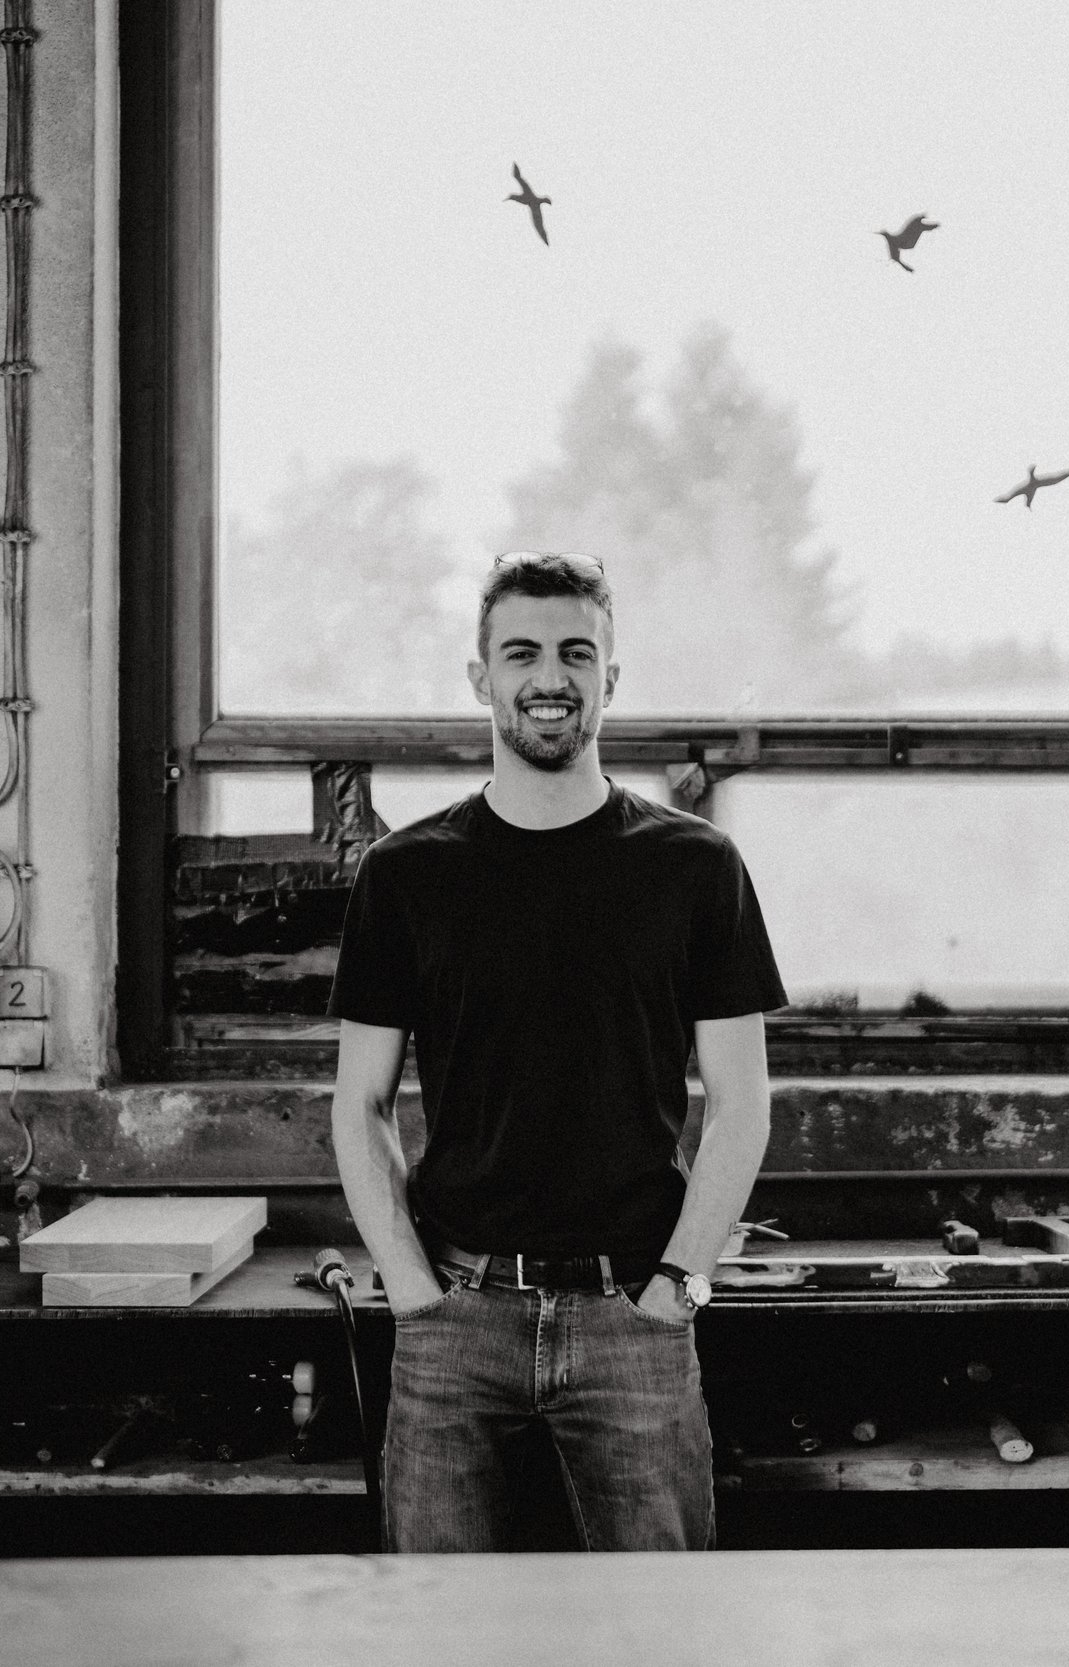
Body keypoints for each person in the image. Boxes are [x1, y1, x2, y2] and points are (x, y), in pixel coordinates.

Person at [328, 550, 788, 1552]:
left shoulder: (695, 869)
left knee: (658, 1637)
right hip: (454, 1315)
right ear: (481, 677)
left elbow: (743, 1102)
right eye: (522, 652)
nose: (550, 676)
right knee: (442, 1637)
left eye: (577, 652)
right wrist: (411, 1289)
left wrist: (679, 1286)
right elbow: (357, 1102)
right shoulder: (406, 876)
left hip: (636, 1315)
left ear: (609, 678)